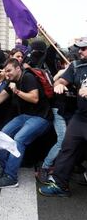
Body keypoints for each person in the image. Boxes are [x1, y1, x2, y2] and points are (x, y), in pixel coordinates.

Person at [0, 58, 52, 188]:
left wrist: (16, 91)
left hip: (41, 117)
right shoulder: (10, 81)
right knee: (3, 134)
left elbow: (34, 98)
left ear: (18, 69)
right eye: (5, 71)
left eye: (9, 71)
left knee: (19, 139)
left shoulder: (28, 77)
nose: (7, 74)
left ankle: (11, 177)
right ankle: (2, 167)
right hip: (25, 116)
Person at [38, 41, 87, 197]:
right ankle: (60, 185)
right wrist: (59, 84)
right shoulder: (76, 66)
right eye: (80, 48)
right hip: (80, 117)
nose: (81, 51)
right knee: (68, 148)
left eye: (85, 49)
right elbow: (61, 80)